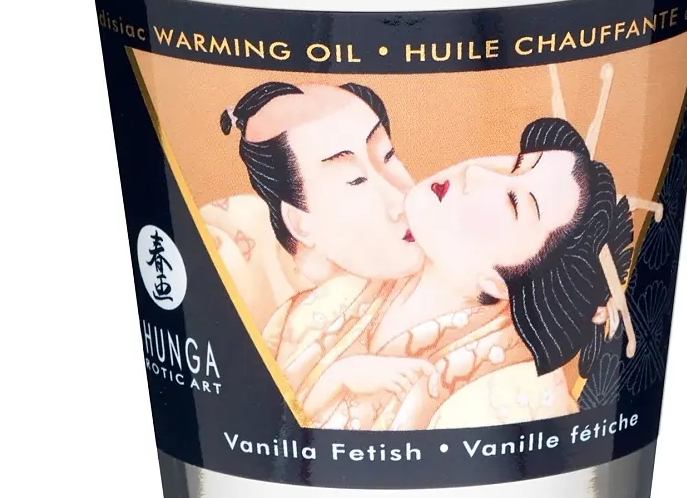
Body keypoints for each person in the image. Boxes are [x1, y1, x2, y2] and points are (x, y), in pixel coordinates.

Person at [266, 117, 634, 430]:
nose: (476, 173)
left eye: (513, 202)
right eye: (517, 164)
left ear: (500, 283)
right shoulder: (346, 290)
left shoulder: (510, 394)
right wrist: (337, 378)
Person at [202, 80, 420, 331]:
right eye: (355, 179)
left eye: (388, 155)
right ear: (299, 223)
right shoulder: (232, 270)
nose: (402, 201)